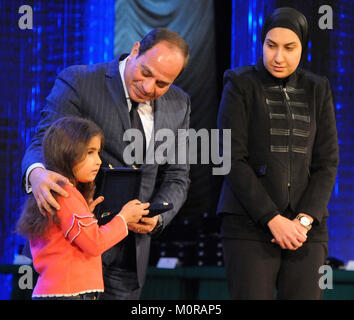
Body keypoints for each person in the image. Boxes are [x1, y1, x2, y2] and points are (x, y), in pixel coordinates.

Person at [21, 28, 191, 299]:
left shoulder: (179, 104)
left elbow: (177, 176)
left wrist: (158, 218)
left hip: (129, 255)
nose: (149, 88)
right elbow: (44, 141)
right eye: (146, 73)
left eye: (162, 84)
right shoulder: (81, 81)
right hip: (70, 248)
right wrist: (37, 174)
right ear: (135, 50)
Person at [217, 7, 339, 299]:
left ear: (302, 47)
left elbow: (328, 162)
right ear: (262, 44)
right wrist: (271, 217)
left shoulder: (318, 88)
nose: (278, 56)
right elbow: (230, 158)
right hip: (249, 225)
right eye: (271, 46)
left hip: (305, 232)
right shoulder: (239, 83)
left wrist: (304, 220)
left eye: (289, 47)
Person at [17, 117, 150, 299]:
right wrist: (124, 219)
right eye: (89, 153)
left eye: (98, 153)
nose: (98, 161)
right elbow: (94, 244)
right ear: (67, 153)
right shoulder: (66, 194)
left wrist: (86, 215)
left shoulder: (63, 193)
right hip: (69, 293)